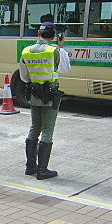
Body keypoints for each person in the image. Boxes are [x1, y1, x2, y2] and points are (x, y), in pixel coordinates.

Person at [19, 21, 71, 180]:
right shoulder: (55, 50)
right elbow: (65, 69)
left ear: (38, 34)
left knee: (35, 127)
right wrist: (61, 47)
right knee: (47, 129)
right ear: (55, 36)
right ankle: (42, 170)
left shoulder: (26, 51)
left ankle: (30, 167)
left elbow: (24, 77)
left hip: (34, 93)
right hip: (50, 94)